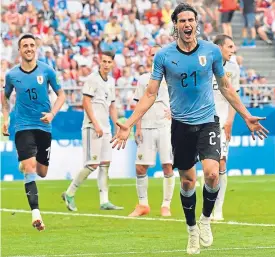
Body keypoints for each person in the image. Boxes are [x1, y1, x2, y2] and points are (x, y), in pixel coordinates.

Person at [110, 3, 268, 255]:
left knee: (213, 174)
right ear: (175, 25)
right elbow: (150, 94)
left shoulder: (212, 51)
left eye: (190, 20)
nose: (187, 24)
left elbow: (226, 87)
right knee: (187, 181)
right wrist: (128, 123)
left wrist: (246, 115)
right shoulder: (163, 56)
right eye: (182, 20)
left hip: (208, 121)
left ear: (196, 23)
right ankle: (192, 229)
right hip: (181, 126)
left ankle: (205, 220)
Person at [2, 33, 66, 231]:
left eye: (31, 45)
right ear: (20, 50)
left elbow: (62, 94)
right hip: (22, 125)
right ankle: (36, 214)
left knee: (42, 171)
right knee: (30, 167)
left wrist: (53, 114)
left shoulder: (47, 70)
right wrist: (6, 118)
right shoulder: (12, 75)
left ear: (35, 48)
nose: (29, 48)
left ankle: (27, 165)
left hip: (44, 126)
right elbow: (4, 98)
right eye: (25, 46)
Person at [62, 51, 123, 212]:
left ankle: (104, 201)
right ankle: (69, 193)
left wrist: (117, 125)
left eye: (109, 62)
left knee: (105, 164)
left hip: (106, 129)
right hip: (92, 127)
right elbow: (86, 102)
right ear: (100, 62)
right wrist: (95, 123)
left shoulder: (111, 81)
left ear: (112, 64)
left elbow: (112, 105)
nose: (106, 64)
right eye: (104, 61)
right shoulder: (92, 79)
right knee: (92, 164)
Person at [128, 45, 175, 217]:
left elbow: (181, 98)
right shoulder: (143, 79)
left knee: (167, 165)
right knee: (140, 167)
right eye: (151, 55)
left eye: (157, 54)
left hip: (165, 126)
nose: (154, 57)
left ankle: (166, 205)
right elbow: (138, 104)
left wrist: (174, 111)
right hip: (146, 127)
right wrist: (137, 127)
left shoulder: (171, 77)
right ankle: (143, 204)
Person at [208, 34, 240, 221]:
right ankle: (207, 206)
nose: (232, 50)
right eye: (229, 46)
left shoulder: (233, 68)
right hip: (201, 121)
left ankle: (217, 210)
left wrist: (229, 121)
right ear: (219, 47)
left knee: (221, 163)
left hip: (221, 122)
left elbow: (233, 98)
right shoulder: (205, 65)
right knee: (207, 167)